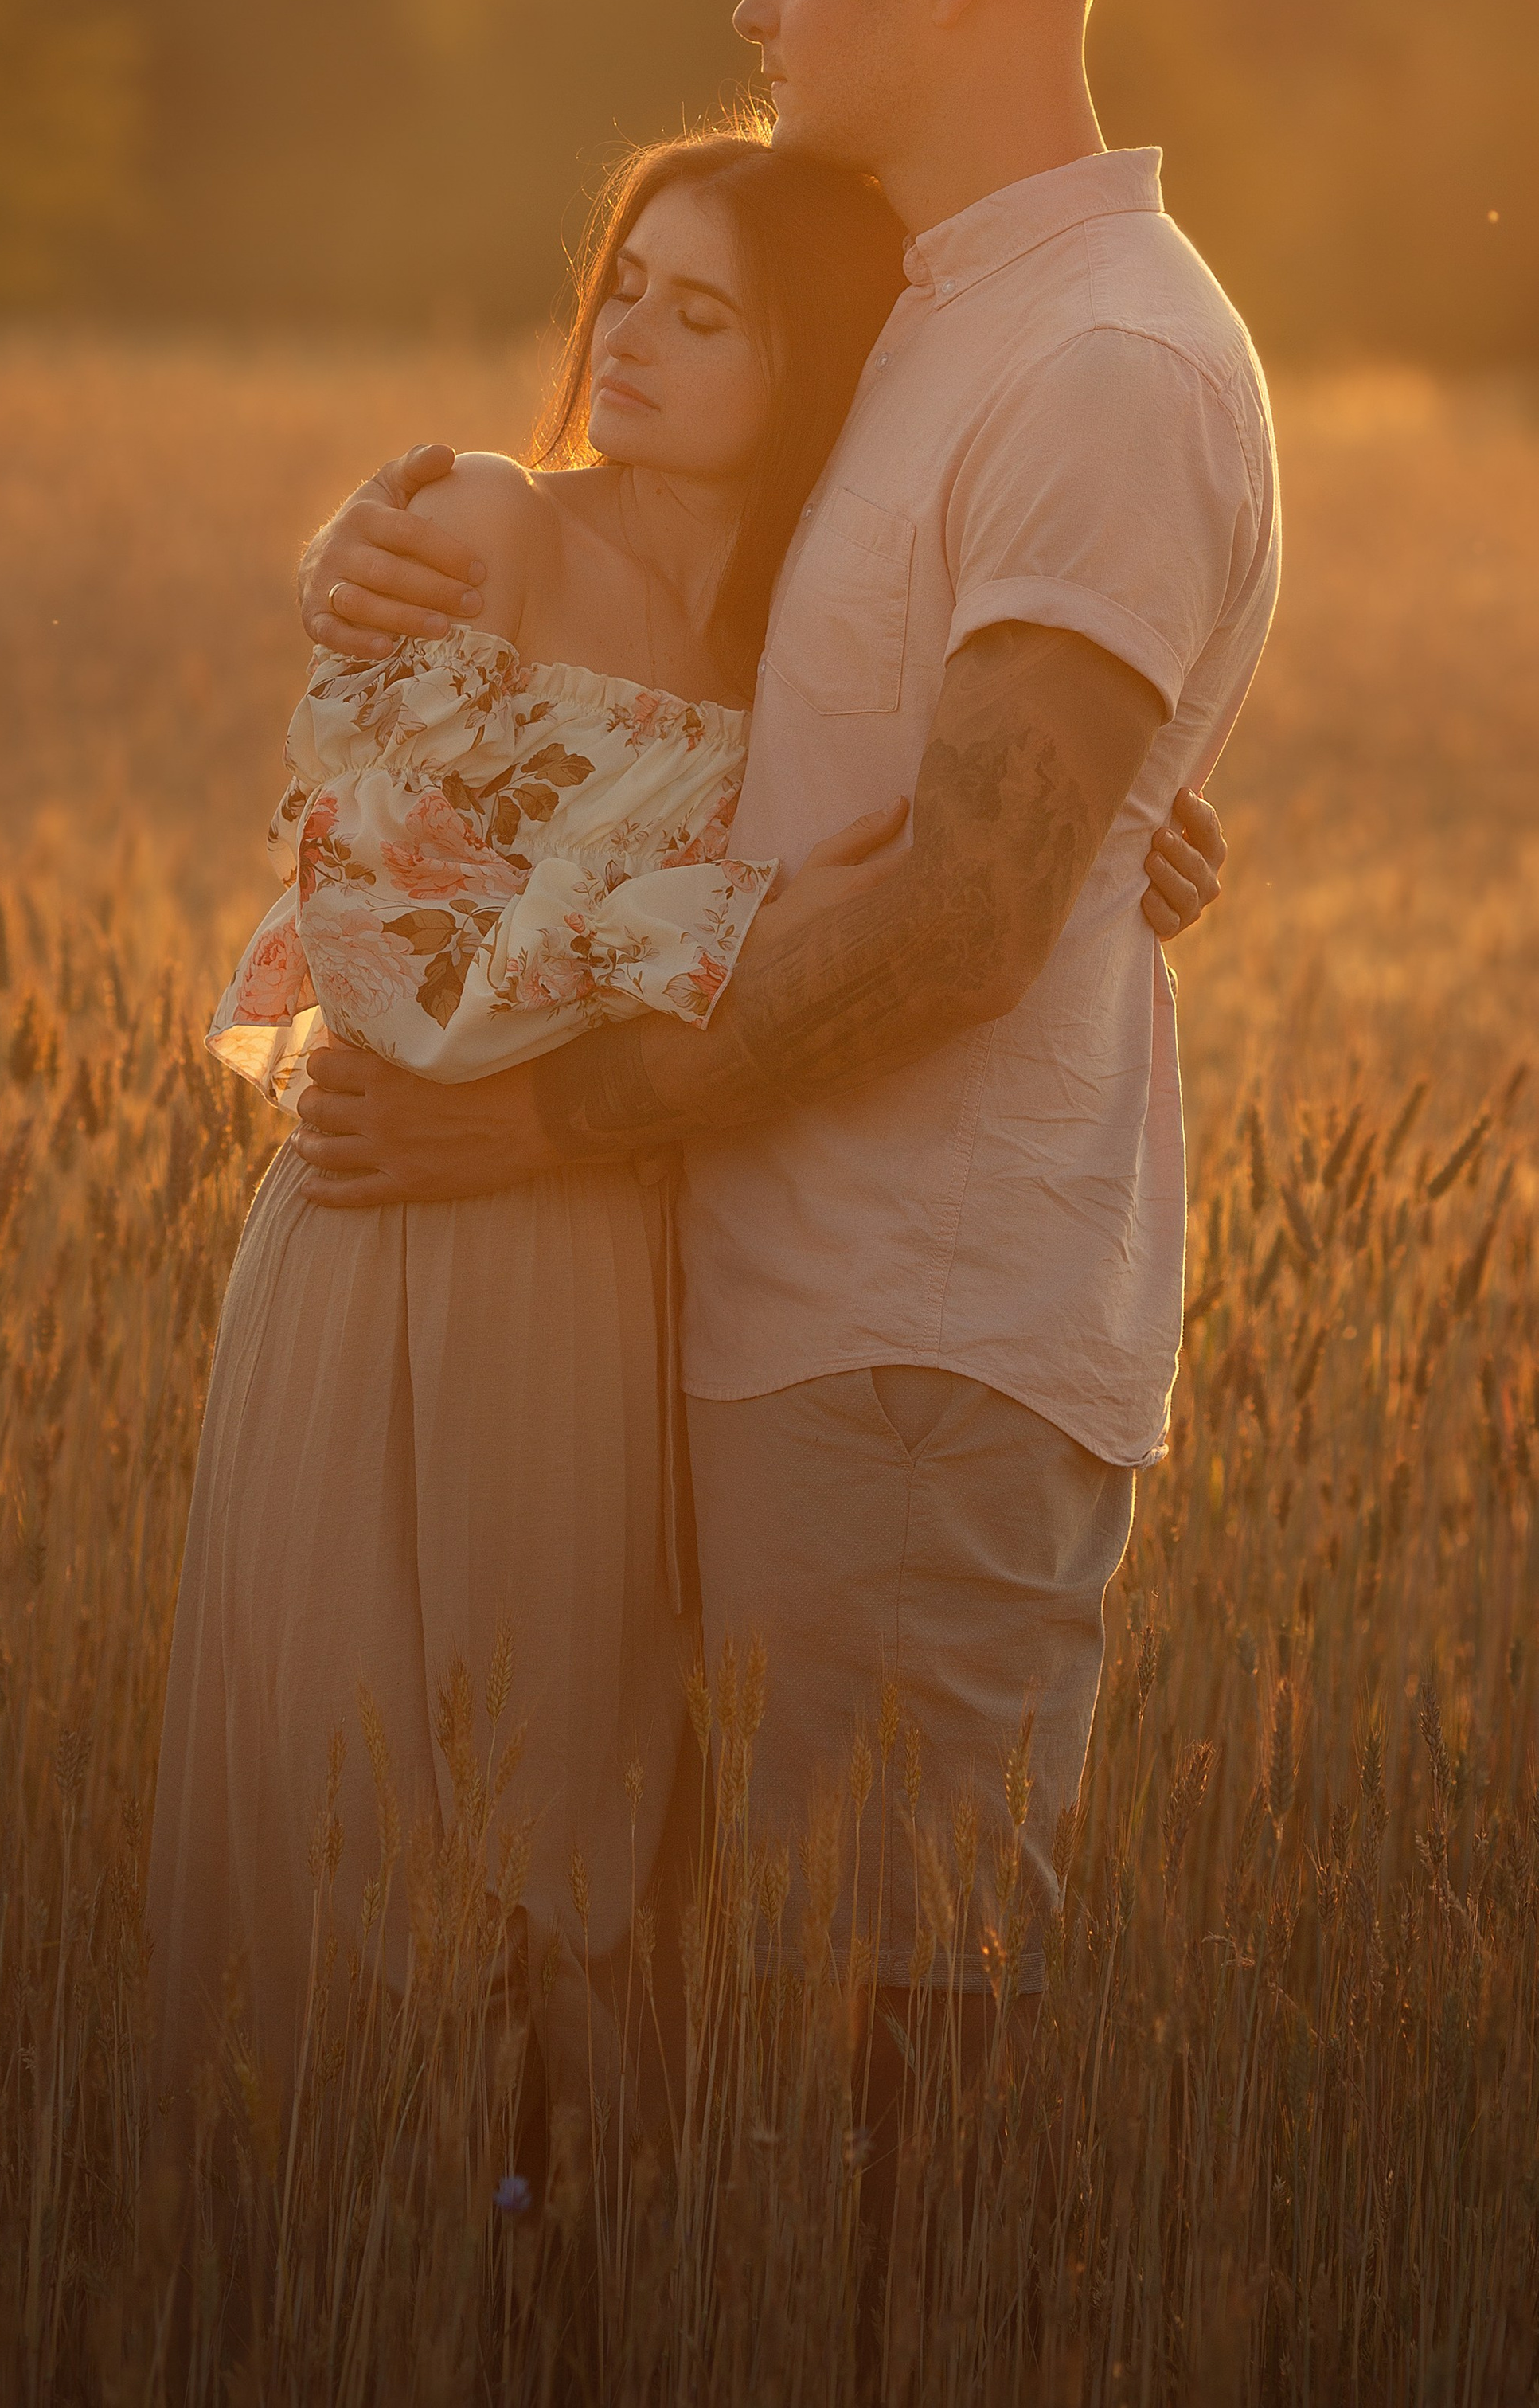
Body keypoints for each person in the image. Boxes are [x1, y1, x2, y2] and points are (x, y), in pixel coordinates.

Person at [291, 0, 1280, 2063]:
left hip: (915, 1338)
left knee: (875, 2058)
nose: (751, 10)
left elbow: (961, 915)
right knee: (696, 2043)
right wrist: (398, 543)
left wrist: (539, 1124)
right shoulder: (948, 319)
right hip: (769, 1292)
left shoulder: (1104, 359)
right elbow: (794, 691)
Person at [146, 122, 1226, 2136]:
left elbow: (987, 820)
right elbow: (400, 946)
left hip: (644, 1250)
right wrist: (811, 914)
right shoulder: (474, 524)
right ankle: (317, 2274)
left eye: (701, 309)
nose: (628, 334)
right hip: (419, 1235)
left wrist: (1111, 837)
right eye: (623, 284)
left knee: (584, 1840)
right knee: (362, 1816)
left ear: (809, 364)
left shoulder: (813, 638)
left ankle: (538, 2271)